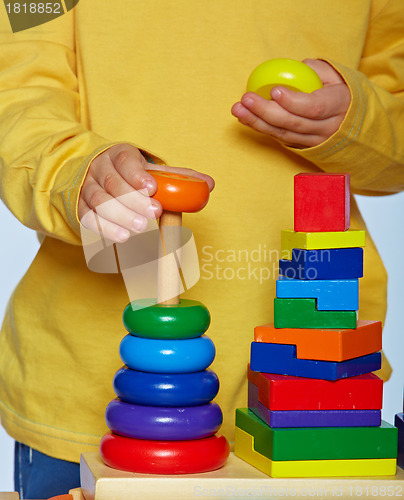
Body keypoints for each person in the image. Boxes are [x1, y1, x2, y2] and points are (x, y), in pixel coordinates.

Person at [0, 0, 403, 497]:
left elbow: (395, 123)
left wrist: (356, 120)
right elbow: (19, 93)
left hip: (316, 402)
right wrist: (75, 171)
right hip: (87, 394)